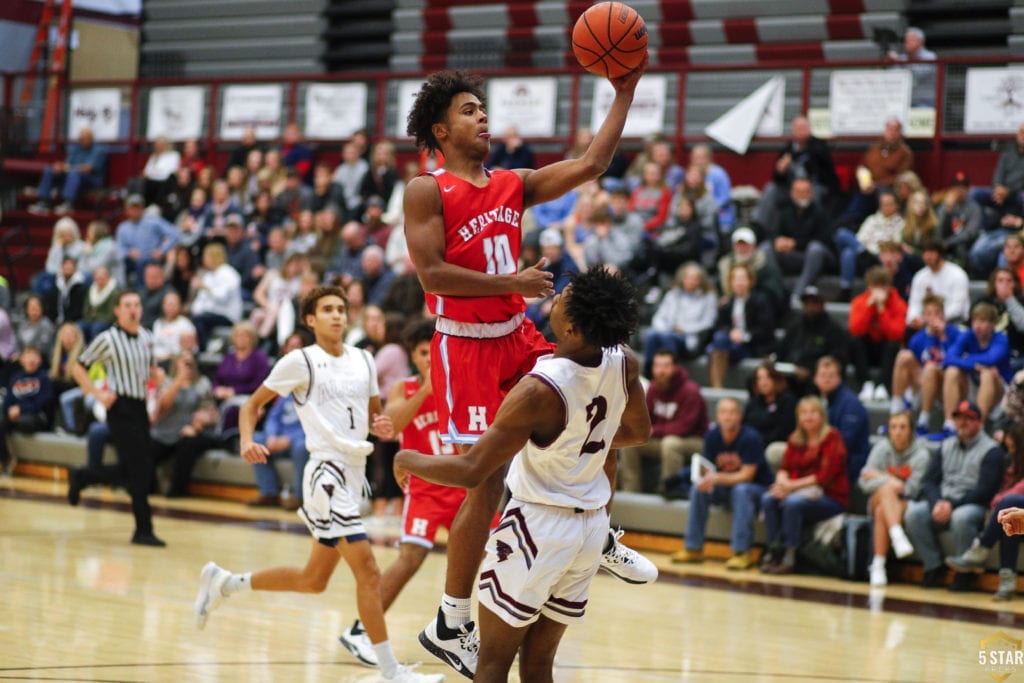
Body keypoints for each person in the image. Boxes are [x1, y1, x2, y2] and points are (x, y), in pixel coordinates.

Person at [402, 62, 655, 678]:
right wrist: (510, 281)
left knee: (605, 389)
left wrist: (623, 91)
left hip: (515, 332)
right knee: (484, 477)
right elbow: (432, 274)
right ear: (440, 129)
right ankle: (452, 618)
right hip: (464, 345)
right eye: (468, 110)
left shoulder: (511, 183)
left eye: (483, 107)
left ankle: (603, 534)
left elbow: (593, 162)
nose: (482, 115)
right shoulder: (427, 189)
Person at [393, 268, 651, 683]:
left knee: (492, 665)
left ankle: (449, 624)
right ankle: (608, 544)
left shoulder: (538, 390)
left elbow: (471, 469)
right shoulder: (625, 363)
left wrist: (407, 459)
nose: (557, 296)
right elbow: (638, 432)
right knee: (537, 667)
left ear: (570, 327)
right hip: (589, 530)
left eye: (565, 295)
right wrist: (580, 439)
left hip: (537, 529)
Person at [191, 286, 441, 683]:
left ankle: (226, 583)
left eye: (341, 309)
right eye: (327, 310)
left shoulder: (363, 359)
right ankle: (391, 673)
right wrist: (245, 440)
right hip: (325, 475)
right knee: (370, 572)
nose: (337, 315)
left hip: (354, 473)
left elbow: (378, 421)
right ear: (310, 320)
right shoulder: (299, 361)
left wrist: (384, 431)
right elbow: (252, 405)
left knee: (314, 580)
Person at [337, 319, 468, 667]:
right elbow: (391, 426)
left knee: (495, 559)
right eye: (423, 353)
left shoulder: (463, 386)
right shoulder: (405, 389)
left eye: (434, 352)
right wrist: (427, 389)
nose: (429, 358)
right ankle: (361, 630)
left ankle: (469, 632)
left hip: (464, 491)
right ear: (413, 356)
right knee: (411, 558)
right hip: (424, 491)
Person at [66, 290, 166, 547]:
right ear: (118, 310)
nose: (133, 309)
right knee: (141, 467)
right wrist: (98, 394)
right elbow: (78, 366)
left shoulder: (146, 337)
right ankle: (143, 529)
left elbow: (151, 371)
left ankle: (84, 476)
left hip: (140, 406)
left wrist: (161, 381)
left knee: (135, 467)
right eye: (127, 305)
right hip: (119, 406)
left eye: (136, 304)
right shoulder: (108, 339)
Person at [904, 400, 1004, 590]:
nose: (963, 423)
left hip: (973, 504)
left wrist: (953, 505)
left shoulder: (992, 451)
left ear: (980, 422)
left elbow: (985, 491)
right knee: (913, 514)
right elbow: (930, 481)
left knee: (961, 517)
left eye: (969, 419)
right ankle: (933, 566)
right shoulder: (945, 445)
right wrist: (936, 503)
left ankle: (964, 572)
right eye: (958, 418)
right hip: (943, 500)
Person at [671, 397, 773, 570]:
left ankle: (742, 553)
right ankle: (693, 548)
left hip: (757, 490)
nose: (728, 417)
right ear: (717, 416)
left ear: (740, 416)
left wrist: (717, 478)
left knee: (741, 490)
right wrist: (705, 479)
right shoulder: (712, 435)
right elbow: (709, 468)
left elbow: (747, 476)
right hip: (727, 489)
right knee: (699, 489)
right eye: (724, 413)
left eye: (732, 413)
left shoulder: (750, 438)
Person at [760, 396, 849, 575]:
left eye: (813, 413)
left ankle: (790, 556)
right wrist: (782, 482)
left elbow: (824, 477)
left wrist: (790, 487)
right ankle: (774, 550)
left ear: (822, 416)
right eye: (804, 413)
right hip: (797, 491)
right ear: (798, 417)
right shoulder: (795, 439)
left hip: (830, 497)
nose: (808, 417)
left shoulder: (833, 438)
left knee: (793, 503)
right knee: (768, 499)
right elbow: (785, 467)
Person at [946, 423, 1024, 600]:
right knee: (1010, 520)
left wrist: (1001, 499)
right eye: (1008, 447)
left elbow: (1016, 491)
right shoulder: (1012, 465)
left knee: (1009, 504)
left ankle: (981, 547)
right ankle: (1007, 581)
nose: (1010, 452)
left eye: (1013, 447)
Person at [858, 411, 931, 586]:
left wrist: (879, 476)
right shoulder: (882, 448)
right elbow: (863, 483)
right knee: (886, 491)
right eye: (893, 427)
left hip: (907, 502)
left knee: (882, 509)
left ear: (911, 430)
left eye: (902, 427)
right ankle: (897, 534)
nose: (897, 432)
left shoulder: (921, 454)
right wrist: (889, 480)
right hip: (879, 497)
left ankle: (878, 565)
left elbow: (912, 490)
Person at [620, 349, 707, 493]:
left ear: (675, 367)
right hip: (663, 439)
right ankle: (631, 490)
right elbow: (645, 417)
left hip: (694, 440)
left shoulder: (690, 391)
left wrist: (654, 430)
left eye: (666, 366)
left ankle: (669, 489)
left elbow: (685, 427)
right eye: (657, 366)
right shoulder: (653, 389)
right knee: (631, 442)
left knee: (671, 443)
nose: (661, 371)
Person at [247, 332, 309, 510]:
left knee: (302, 446)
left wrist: (288, 439)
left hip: (299, 439)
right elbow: (274, 415)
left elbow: (315, 420)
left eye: (298, 346)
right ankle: (269, 493)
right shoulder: (284, 381)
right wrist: (272, 436)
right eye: (290, 346)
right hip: (280, 438)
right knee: (257, 440)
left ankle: (300, 497)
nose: (293, 351)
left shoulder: (313, 381)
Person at [891, 294, 960, 432]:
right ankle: (896, 411)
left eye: (937, 313)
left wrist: (943, 337)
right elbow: (911, 369)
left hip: (947, 384)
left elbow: (956, 360)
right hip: (923, 384)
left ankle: (925, 420)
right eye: (929, 313)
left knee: (931, 369)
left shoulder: (954, 333)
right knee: (904, 356)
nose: (933, 317)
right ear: (923, 316)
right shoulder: (917, 339)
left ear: (944, 315)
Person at [940, 302, 1012, 432]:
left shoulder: (1001, 339)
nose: (978, 326)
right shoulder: (967, 335)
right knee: (952, 371)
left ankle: (978, 427)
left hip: (999, 392)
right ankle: (949, 424)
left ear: (993, 324)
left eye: (983, 321)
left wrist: (966, 359)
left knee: (987, 374)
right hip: (973, 385)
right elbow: (948, 358)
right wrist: (972, 364)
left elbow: (991, 359)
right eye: (975, 321)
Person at [766, 177, 835, 306]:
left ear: (811, 193)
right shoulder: (784, 211)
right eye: (799, 192)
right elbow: (772, 233)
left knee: (815, 248)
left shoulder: (820, 212)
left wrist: (795, 243)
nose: (803, 195)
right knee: (766, 248)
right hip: (792, 256)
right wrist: (778, 241)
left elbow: (825, 239)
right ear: (792, 193)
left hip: (818, 258)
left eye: (806, 191)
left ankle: (797, 295)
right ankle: (775, 291)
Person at [706, 263, 776, 388]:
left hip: (751, 346)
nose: (739, 283)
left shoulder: (760, 301)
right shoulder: (727, 303)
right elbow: (718, 325)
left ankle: (717, 386)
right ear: (730, 282)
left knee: (717, 345)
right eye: (736, 279)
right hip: (728, 344)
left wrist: (744, 336)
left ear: (750, 281)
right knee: (718, 342)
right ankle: (717, 386)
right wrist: (731, 333)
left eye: (742, 279)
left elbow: (766, 329)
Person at [641, 262, 717, 370]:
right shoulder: (672, 294)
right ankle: (648, 372)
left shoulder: (708, 297)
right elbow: (658, 317)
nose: (691, 281)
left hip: (689, 337)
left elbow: (708, 322)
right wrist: (665, 329)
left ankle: (671, 372)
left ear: (700, 280)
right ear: (682, 279)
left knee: (668, 337)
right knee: (651, 334)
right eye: (688, 278)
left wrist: (684, 329)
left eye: (694, 278)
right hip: (668, 330)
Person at [848, 266, 907, 402]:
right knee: (855, 342)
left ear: (889, 286)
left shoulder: (899, 304)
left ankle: (883, 386)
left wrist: (882, 310)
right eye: (875, 286)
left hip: (886, 351)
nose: (879, 290)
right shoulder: (860, 302)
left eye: (883, 285)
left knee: (893, 345)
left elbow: (897, 334)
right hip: (867, 350)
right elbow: (855, 329)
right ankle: (866, 384)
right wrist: (869, 308)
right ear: (869, 286)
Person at [814, 355, 870, 488]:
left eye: (831, 375)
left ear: (839, 378)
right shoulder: (821, 400)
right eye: (823, 375)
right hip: (824, 458)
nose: (827, 379)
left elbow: (844, 444)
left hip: (847, 464)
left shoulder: (851, 404)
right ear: (815, 378)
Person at [0, 345, 53, 474]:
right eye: (28, 355)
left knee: (25, 422)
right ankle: (7, 459)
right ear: (21, 359)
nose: (31, 359)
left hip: (37, 416)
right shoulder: (15, 377)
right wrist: (10, 410)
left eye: (34, 356)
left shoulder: (44, 378)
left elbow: (43, 402)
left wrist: (21, 409)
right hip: (16, 415)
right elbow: (7, 401)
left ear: (40, 360)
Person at [30, 127, 107, 214]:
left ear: (91, 139)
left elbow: (88, 168)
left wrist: (69, 168)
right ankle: (44, 202)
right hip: (73, 176)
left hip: (92, 180)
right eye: (81, 139)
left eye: (85, 138)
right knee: (50, 169)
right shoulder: (77, 149)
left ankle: (68, 203)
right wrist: (60, 167)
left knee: (74, 171)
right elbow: (67, 164)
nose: (82, 141)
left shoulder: (98, 150)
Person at [905, 238, 971, 332]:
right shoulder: (920, 276)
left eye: (931, 253)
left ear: (940, 254)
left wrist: (931, 320)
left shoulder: (957, 274)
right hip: (926, 324)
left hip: (953, 323)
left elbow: (958, 308)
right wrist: (914, 319)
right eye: (925, 253)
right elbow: (914, 304)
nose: (927, 257)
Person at [743, 361, 797, 471]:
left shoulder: (787, 401)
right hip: (754, 445)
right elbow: (744, 426)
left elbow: (785, 431)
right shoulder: (753, 402)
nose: (763, 382)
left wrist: (759, 442)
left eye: (767, 378)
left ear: (775, 379)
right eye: (759, 379)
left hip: (775, 445)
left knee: (771, 451)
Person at [116, 194, 179, 286]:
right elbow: (119, 247)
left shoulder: (153, 222)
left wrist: (162, 250)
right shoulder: (122, 227)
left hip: (151, 258)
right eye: (132, 208)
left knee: (142, 263)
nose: (135, 210)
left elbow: (174, 234)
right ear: (127, 210)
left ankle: (142, 292)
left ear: (143, 208)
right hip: (131, 261)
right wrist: (128, 252)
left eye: (138, 207)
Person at [938, 171, 984, 266]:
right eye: (957, 187)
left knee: (960, 247)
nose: (960, 190)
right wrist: (948, 210)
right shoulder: (944, 206)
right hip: (944, 242)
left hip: (965, 244)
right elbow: (938, 229)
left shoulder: (974, 207)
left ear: (968, 189)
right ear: (951, 189)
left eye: (963, 187)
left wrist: (948, 242)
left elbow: (970, 233)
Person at [887, 27, 938, 107]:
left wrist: (900, 62)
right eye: (906, 41)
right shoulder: (902, 58)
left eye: (911, 40)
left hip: (925, 102)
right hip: (904, 101)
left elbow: (918, 75)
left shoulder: (930, 57)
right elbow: (892, 76)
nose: (907, 43)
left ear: (921, 42)